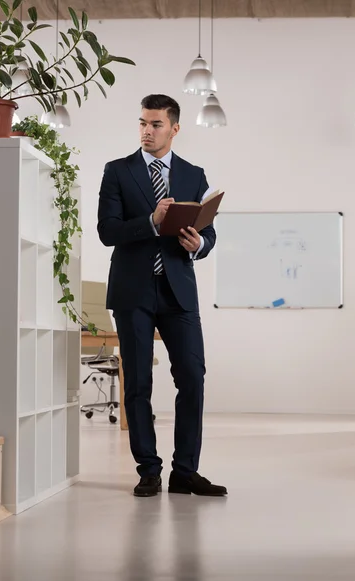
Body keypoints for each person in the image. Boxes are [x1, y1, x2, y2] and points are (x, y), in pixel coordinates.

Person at [97, 94, 227, 498]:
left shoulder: (193, 174)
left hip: (178, 292)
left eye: (155, 125)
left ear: (174, 127)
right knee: (138, 382)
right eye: (142, 123)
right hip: (133, 291)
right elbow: (107, 231)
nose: (146, 131)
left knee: (192, 377)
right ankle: (148, 470)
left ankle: (185, 471)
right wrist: (151, 223)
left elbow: (209, 234)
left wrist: (198, 245)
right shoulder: (118, 171)